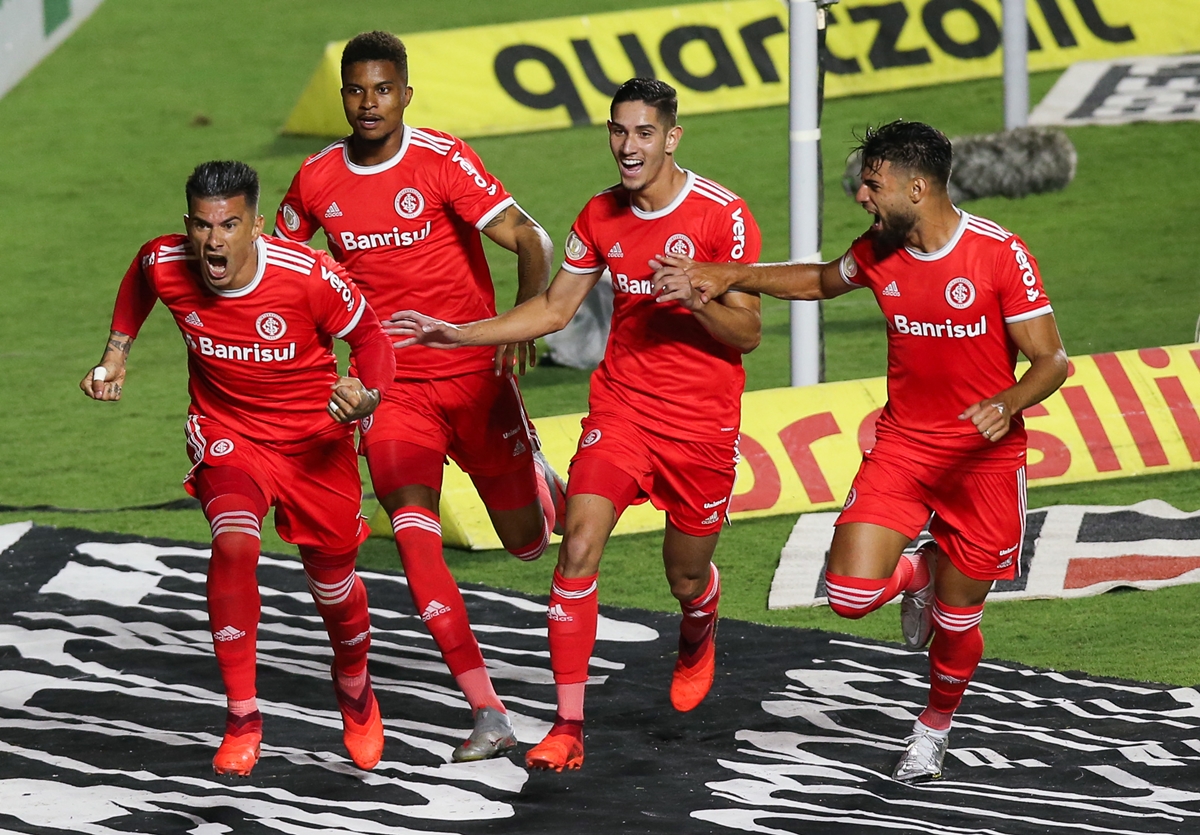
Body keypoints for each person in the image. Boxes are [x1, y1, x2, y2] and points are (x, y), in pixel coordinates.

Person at [652, 120, 1069, 783]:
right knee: (848, 592)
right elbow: (819, 280)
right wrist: (729, 273)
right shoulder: (880, 249)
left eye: (873, 185)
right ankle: (921, 574)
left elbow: (1052, 360)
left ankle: (931, 733)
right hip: (904, 448)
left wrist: (1008, 402)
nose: (863, 197)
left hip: (983, 466)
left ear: (917, 185)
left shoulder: (998, 254)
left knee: (959, 623)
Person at [389, 78, 763, 772]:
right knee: (578, 545)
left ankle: (699, 618)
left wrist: (699, 297)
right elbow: (557, 309)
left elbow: (748, 334)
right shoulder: (599, 215)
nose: (628, 146)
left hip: (702, 427)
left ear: (672, 137)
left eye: (644, 133)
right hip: (623, 410)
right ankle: (568, 724)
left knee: (684, 574)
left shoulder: (722, 216)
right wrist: (456, 333)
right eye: (618, 131)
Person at [273, 31, 565, 762]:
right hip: (389, 387)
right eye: (355, 90)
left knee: (528, 544)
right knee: (411, 531)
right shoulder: (314, 179)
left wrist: (517, 325)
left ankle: (536, 472)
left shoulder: (441, 160)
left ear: (406, 93)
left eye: (382, 89)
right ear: (343, 96)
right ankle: (487, 709)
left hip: (472, 377)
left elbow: (532, 239)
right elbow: (278, 261)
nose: (368, 103)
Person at [81, 161, 397, 777]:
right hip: (228, 434)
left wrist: (368, 395)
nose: (214, 241)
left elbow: (374, 341)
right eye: (202, 226)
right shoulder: (166, 262)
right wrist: (116, 353)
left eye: (229, 225)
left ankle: (355, 690)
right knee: (232, 545)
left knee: (332, 587)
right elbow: (140, 280)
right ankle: (242, 716)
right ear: (187, 226)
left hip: (315, 444)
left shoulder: (308, 279)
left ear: (257, 224)